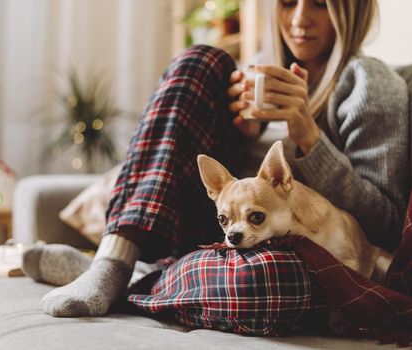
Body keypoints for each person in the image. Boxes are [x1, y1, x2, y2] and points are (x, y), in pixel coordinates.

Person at [24, 0, 409, 319]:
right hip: (219, 229)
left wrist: (307, 133)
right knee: (202, 61)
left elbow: (386, 222)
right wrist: (241, 136)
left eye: (321, 4)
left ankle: (134, 276)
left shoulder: (369, 83)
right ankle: (114, 261)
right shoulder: (253, 69)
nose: (299, 19)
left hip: (292, 248)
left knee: (269, 278)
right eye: (288, 2)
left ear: (351, 11)